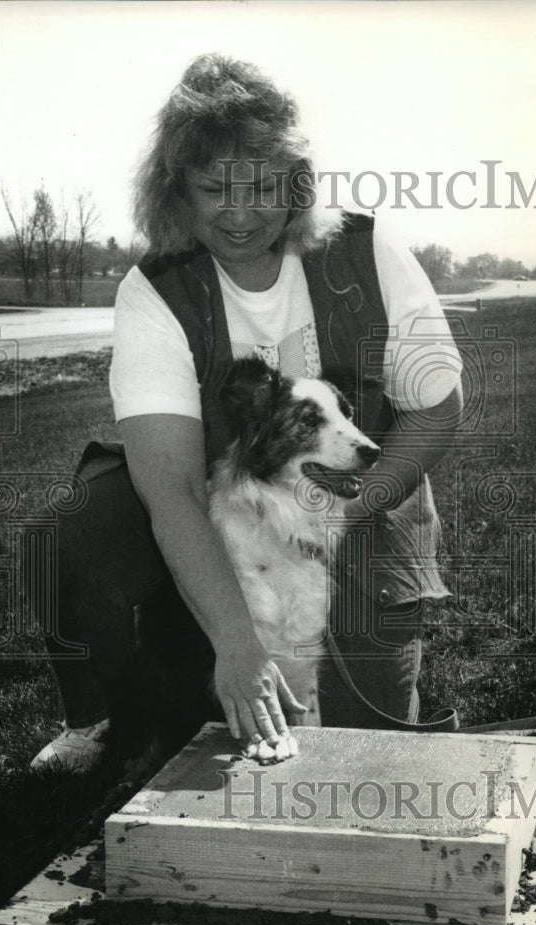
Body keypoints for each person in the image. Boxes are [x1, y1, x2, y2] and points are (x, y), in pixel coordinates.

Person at [30, 53, 464, 774]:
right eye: (214, 190)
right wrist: (235, 640)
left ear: (296, 187)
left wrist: (339, 517)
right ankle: (98, 717)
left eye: (264, 187)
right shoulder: (156, 290)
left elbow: (438, 410)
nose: (241, 214)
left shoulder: (367, 251)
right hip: (215, 492)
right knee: (71, 538)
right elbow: (170, 488)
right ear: (177, 193)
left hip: (362, 488)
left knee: (365, 750)